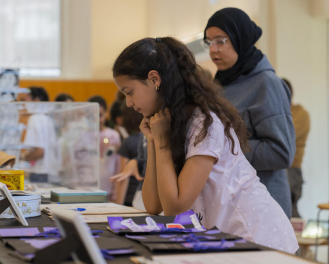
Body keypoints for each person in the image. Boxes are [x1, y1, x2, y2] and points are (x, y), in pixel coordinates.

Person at [112, 37, 298, 253]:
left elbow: (175, 208)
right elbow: (154, 205)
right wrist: (153, 140)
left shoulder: (204, 123)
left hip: (257, 237)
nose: (128, 103)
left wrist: (161, 141)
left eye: (129, 92)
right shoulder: (166, 122)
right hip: (228, 238)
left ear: (154, 79)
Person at [203, 8, 295, 219]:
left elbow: (281, 152)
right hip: (229, 204)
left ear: (240, 39)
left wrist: (224, 148)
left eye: (220, 41)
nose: (213, 50)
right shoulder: (221, 84)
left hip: (262, 208)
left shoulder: (267, 84)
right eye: (208, 43)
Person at [19, 87, 60, 183]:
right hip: (50, 173)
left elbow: (40, 151)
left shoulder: (34, 118)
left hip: (39, 173)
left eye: (25, 100)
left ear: (36, 100)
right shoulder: (48, 119)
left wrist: (21, 158)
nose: (24, 104)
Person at [283, 78, 310, 218]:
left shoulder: (300, 114)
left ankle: (295, 240)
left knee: (290, 213)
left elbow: (284, 137)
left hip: (291, 170)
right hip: (280, 169)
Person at [88, 95, 121, 201]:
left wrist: (116, 191)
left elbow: (118, 164)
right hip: (88, 189)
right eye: (92, 116)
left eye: (100, 115)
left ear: (106, 113)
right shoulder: (83, 136)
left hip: (108, 189)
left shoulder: (113, 135)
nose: (97, 119)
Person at [111, 104, 143, 205]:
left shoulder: (128, 142)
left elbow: (122, 177)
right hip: (144, 196)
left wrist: (118, 206)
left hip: (130, 198)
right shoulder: (149, 139)